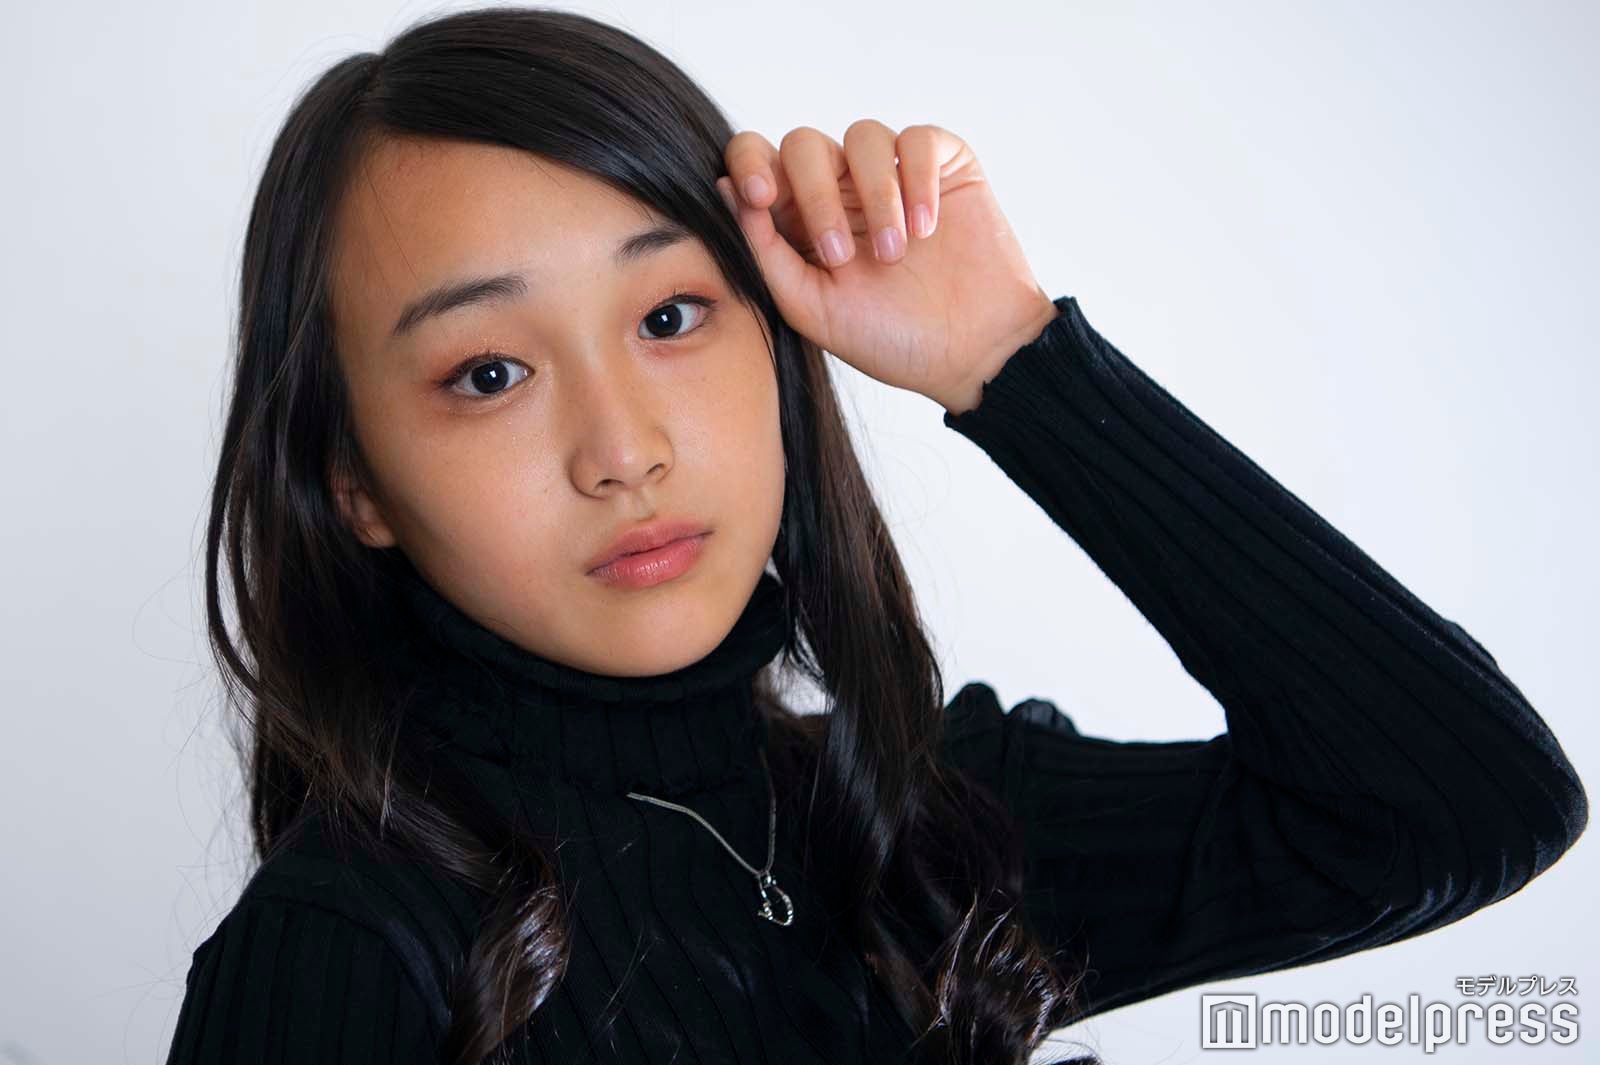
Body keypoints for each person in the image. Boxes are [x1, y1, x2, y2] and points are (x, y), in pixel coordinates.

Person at [163, 6, 1587, 1065]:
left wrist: (1013, 359)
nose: (624, 450)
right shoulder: (346, 951)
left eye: (671, 315)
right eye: (489, 373)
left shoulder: (922, 829)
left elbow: (1463, 807)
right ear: (351, 480)